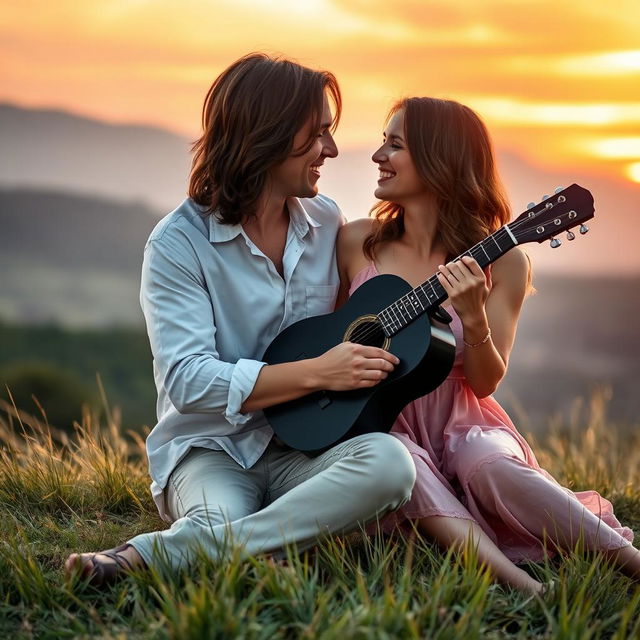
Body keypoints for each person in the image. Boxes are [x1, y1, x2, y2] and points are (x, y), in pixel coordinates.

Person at [65, 53, 416, 586]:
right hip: (212, 448)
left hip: (305, 450)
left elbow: (356, 313)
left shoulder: (325, 222)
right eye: (318, 133)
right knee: (219, 515)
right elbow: (187, 379)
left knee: (391, 465)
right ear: (267, 135)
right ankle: (157, 556)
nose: (333, 150)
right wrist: (320, 372)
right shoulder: (178, 243)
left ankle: (215, 549)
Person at [336, 97, 639, 595]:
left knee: (489, 464)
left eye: (395, 145)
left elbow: (484, 381)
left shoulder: (506, 262)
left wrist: (473, 313)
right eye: (382, 142)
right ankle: (520, 584)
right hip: (377, 417)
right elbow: (328, 336)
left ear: (441, 160)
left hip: (463, 416)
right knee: (402, 462)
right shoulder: (357, 243)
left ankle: (630, 560)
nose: (377, 156)